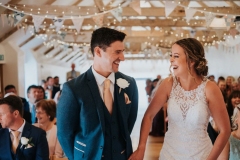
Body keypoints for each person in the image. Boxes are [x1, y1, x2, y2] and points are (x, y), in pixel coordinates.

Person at [129, 38, 230, 160]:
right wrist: (141, 148)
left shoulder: (210, 88)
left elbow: (225, 130)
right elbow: (149, 116)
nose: (171, 60)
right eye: (171, 56)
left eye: (176, 56)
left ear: (191, 60)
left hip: (202, 155)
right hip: (169, 155)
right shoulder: (168, 84)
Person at [57, 27, 138, 160]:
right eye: (117, 52)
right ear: (98, 51)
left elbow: (129, 122)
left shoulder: (129, 84)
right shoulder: (73, 88)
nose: (122, 58)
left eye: (122, 52)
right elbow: (64, 133)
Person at [0, 95, 49, 160]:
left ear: (15, 114)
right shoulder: (0, 134)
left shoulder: (38, 134)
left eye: (1, 114)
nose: (0, 118)